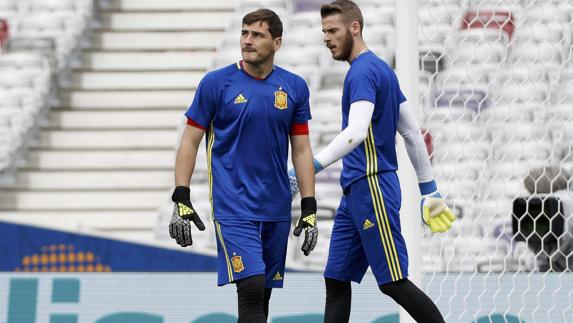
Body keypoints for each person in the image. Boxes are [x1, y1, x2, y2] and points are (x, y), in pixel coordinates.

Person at [288, 1, 456, 322]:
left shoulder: (363, 71)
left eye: (333, 30)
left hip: (372, 185)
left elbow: (355, 132)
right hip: (356, 191)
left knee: (393, 281)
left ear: (355, 27)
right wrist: (429, 190)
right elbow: (410, 132)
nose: (326, 38)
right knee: (336, 278)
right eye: (324, 31)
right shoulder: (382, 70)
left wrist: (307, 169)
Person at [169, 9, 318, 323]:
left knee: (262, 297)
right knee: (250, 287)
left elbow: (301, 150)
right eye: (244, 33)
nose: (247, 41)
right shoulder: (216, 83)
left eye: (257, 35)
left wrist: (309, 206)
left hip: (276, 207)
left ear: (277, 42)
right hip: (233, 206)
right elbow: (189, 141)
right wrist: (181, 196)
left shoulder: (294, 87)